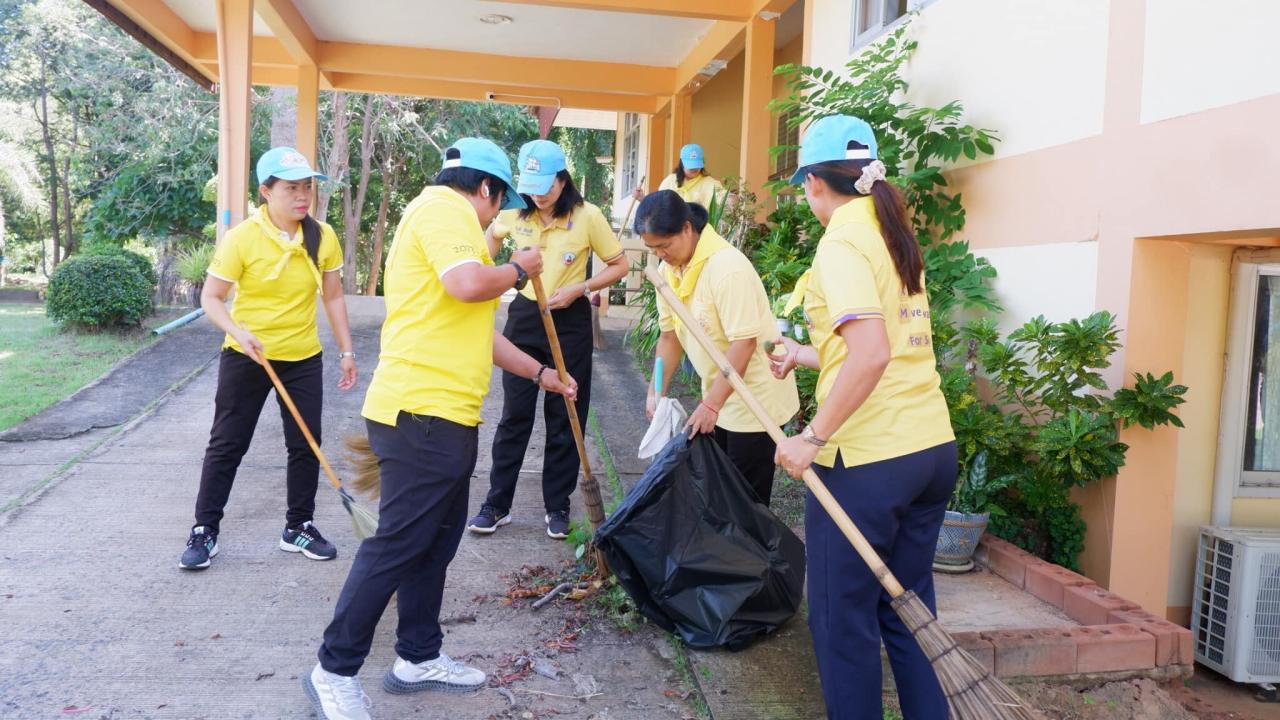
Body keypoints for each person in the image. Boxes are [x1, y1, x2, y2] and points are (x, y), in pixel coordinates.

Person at [305, 138, 577, 720]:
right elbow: (468, 286)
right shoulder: (443, 211)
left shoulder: (447, 222)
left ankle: (418, 656)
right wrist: (517, 268)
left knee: (434, 544)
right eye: (497, 202)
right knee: (398, 544)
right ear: (486, 188)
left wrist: (541, 373)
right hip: (420, 414)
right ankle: (334, 668)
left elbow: (477, 325)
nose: (494, 216)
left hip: (446, 416)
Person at [768, 115, 957, 720]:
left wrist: (812, 436)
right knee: (906, 610)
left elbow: (872, 353)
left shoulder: (843, 241)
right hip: (929, 450)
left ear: (814, 183)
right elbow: (886, 342)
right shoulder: (891, 230)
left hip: (868, 462)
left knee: (840, 621)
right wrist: (805, 353)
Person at [179, 146, 357, 571]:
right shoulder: (242, 238)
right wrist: (239, 332)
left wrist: (347, 351)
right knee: (227, 444)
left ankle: (299, 526)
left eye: (307, 188)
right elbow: (212, 297)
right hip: (247, 356)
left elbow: (332, 296)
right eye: (291, 188)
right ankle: (205, 531)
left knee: (306, 444)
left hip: (302, 357)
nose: (302, 196)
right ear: (266, 191)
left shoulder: (322, 236)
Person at [468, 140, 628, 539]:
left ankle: (557, 506)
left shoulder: (588, 216)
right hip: (524, 317)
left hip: (569, 319)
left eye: (547, 186)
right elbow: (489, 241)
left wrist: (583, 288)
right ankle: (496, 503)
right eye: (532, 186)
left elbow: (620, 264)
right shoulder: (511, 211)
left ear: (563, 180)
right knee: (514, 416)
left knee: (565, 414)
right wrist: (491, 270)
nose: (539, 194)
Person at [636, 190, 798, 505]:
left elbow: (744, 344)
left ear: (686, 228)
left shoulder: (726, 268)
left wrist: (710, 405)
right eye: (652, 249)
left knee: (744, 499)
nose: (660, 256)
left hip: (755, 399)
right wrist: (655, 390)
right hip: (722, 394)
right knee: (719, 492)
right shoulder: (669, 272)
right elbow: (669, 337)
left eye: (664, 246)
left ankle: (751, 553)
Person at [632, 143, 726, 210]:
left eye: (697, 165)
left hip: (699, 232)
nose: (694, 169)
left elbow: (723, 198)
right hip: (673, 231)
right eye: (690, 165)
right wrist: (642, 199)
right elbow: (658, 204)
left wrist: (731, 199)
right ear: (682, 163)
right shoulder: (671, 180)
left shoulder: (710, 183)